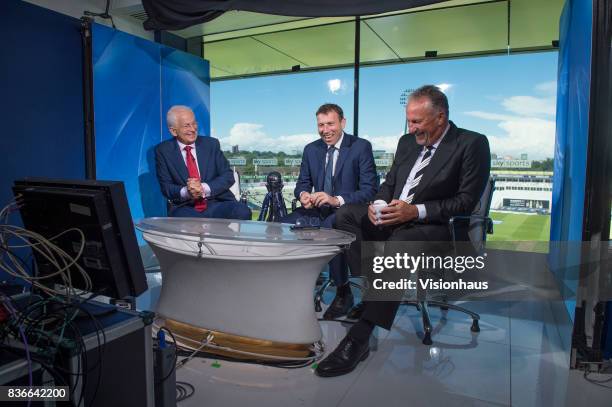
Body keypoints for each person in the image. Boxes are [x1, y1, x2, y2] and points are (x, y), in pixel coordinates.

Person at [315, 85, 491, 377]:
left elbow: (465, 202)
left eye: (417, 121)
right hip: (397, 217)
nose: (411, 128)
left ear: (440, 117)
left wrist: (415, 211)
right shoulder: (407, 142)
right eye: (409, 120)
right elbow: (390, 182)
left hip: (436, 227)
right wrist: (379, 204)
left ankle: (359, 338)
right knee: (346, 215)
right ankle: (376, 295)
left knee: (401, 241)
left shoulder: (471, 144)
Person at [281, 103, 378, 319]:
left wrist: (336, 200)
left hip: (347, 210)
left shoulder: (360, 147)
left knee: (331, 227)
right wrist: (303, 195)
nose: (325, 130)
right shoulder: (311, 149)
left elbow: (370, 190)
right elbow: (302, 183)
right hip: (318, 208)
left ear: (342, 123)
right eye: (321, 125)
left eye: (330, 124)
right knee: (283, 225)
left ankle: (343, 291)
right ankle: (294, 285)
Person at [155, 105, 251, 220]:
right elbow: (166, 187)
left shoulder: (211, 144)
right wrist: (187, 191)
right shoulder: (163, 150)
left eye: (194, 123)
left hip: (217, 202)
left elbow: (228, 176)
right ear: (173, 131)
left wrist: (203, 188)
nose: (193, 129)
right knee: (190, 223)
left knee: (242, 211)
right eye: (187, 125)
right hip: (185, 206)